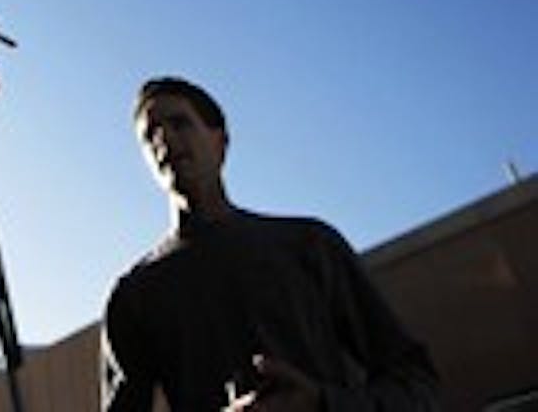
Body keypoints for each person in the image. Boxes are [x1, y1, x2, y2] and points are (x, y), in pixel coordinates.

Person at [100, 77, 439, 411]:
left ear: (220, 141)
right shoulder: (135, 296)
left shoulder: (310, 245)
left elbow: (415, 383)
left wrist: (323, 404)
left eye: (179, 123)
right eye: (150, 135)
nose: (164, 139)